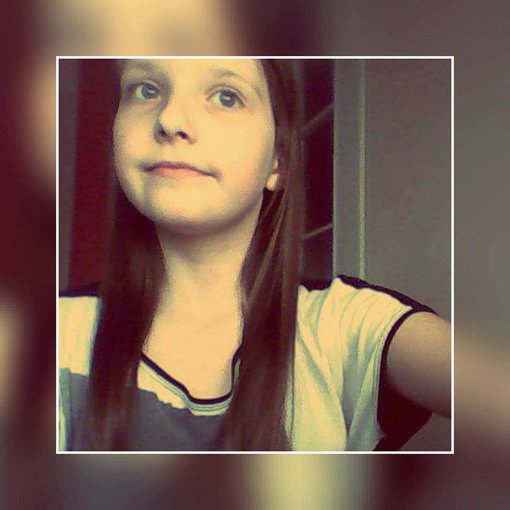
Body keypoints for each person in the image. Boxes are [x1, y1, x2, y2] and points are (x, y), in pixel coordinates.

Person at [59, 58, 451, 451]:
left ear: (278, 162)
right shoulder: (57, 334)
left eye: (226, 97)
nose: (170, 119)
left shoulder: (346, 326)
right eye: (147, 90)